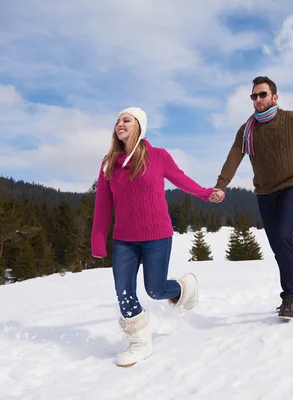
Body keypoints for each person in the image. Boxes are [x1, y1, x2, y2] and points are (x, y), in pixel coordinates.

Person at [91, 107, 215, 367]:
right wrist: (98, 238)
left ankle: (183, 287)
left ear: (139, 126)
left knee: (155, 289)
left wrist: (205, 193)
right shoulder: (108, 163)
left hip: (157, 235)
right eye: (117, 121)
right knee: (123, 290)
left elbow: (180, 179)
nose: (119, 124)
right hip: (124, 238)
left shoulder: (158, 157)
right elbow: (103, 203)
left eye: (126, 120)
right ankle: (139, 341)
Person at [210, 76, 293, 320]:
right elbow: (233, 157)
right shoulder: (247, 130)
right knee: (278, 244)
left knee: (283, 235)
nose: (258, 99)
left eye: (262, 94)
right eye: (254, 96)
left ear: (275, 96)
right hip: (264, 192)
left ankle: (290, 295)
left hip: (291, 187)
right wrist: (221, 185)